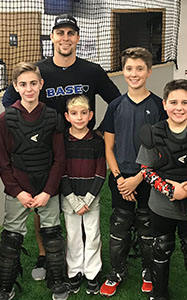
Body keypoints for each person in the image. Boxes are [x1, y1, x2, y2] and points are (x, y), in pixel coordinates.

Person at [1, 13, 121, 281]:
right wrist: (28, 131)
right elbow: (11, 101)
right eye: (60, 33)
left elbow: (116, 102)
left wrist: (99, 133)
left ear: (77, 38)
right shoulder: (39, 71)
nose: (65, 38)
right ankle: (46, 255)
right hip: (46, 151)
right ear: (52, 37)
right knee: (45, 201)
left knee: (83, 207)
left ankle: (84, 262)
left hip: (82, 149)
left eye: (70, 33)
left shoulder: (91, 70)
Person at [137, 79, 187, 300]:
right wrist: (169, 190)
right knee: (161, 249)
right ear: (164, 104)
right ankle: (160, 294)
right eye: (173, 102)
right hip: (161, 206)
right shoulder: (153, 132)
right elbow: (145, 169)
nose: (178, 107)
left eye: (184, 102)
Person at [99, 47, 165, 297]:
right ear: (123, 72)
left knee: (147, 227)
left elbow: (160, 150)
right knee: (119, 226)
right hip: (120, 179)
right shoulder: (115, 106)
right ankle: (117, 271)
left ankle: (148, 271)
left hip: (147, 178)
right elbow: (108, 147)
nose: (134, 74)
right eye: (129, 69)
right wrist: (119, 179)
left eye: (139, 69)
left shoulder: (159, 106)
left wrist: (138, 178)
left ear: (148, 72)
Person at [0, 62, 67, 300]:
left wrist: (48, 191)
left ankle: (58, 281)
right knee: (11, 238)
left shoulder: (52, 117)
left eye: (33, 83)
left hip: (46, 190)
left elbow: (59, 160)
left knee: (52, 235)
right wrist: (17, 191)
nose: (29, 89)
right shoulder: (6, 119)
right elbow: (3, 162)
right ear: (16, 88)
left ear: (41, 85)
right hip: (18, 190)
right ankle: (5, 286)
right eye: (23, 84)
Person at [60, 95, 106, 295]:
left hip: (90, 200)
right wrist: (73, 200)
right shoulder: (61, 140)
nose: (79, 117)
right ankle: (74, 272)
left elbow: (100, 172)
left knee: (93, 235)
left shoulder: (97, 141)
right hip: (69, 200)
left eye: (83, 113)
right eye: (74, 113)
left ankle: (92, 273)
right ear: (67, 116)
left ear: (90, 115)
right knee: (73, 236)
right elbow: (59, 172)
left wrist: (87, 200)